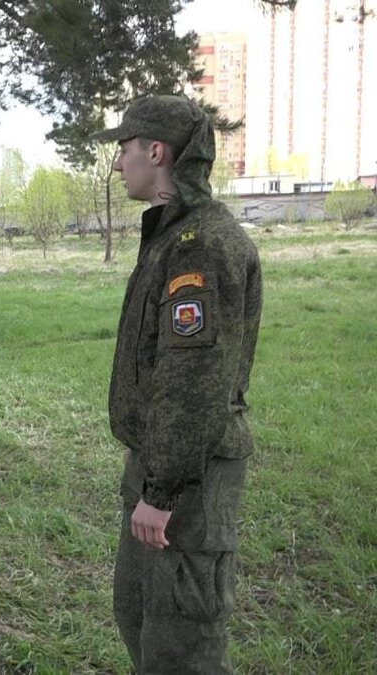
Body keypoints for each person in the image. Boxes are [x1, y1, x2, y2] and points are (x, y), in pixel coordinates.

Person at [92, 95, 263, 673]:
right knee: (139, 617)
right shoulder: (172, 235)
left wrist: (161, 493)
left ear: (156, 151)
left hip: (187, 477)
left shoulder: (203, 246)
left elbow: (194, 380)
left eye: (125, 148)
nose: (118, 164)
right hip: (159, 462)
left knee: (181, 644)